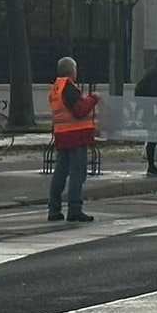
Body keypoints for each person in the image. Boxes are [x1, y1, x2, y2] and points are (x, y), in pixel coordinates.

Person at [48, 56, 101, 222]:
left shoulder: (56, 88)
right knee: (77, 174)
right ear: (72, 71)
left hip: (62, 135)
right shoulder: (69, 88)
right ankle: (74, 209)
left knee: (60, 173)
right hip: (75, 137)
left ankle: (54, 209)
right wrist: (93, 99)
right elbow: (79, 110)